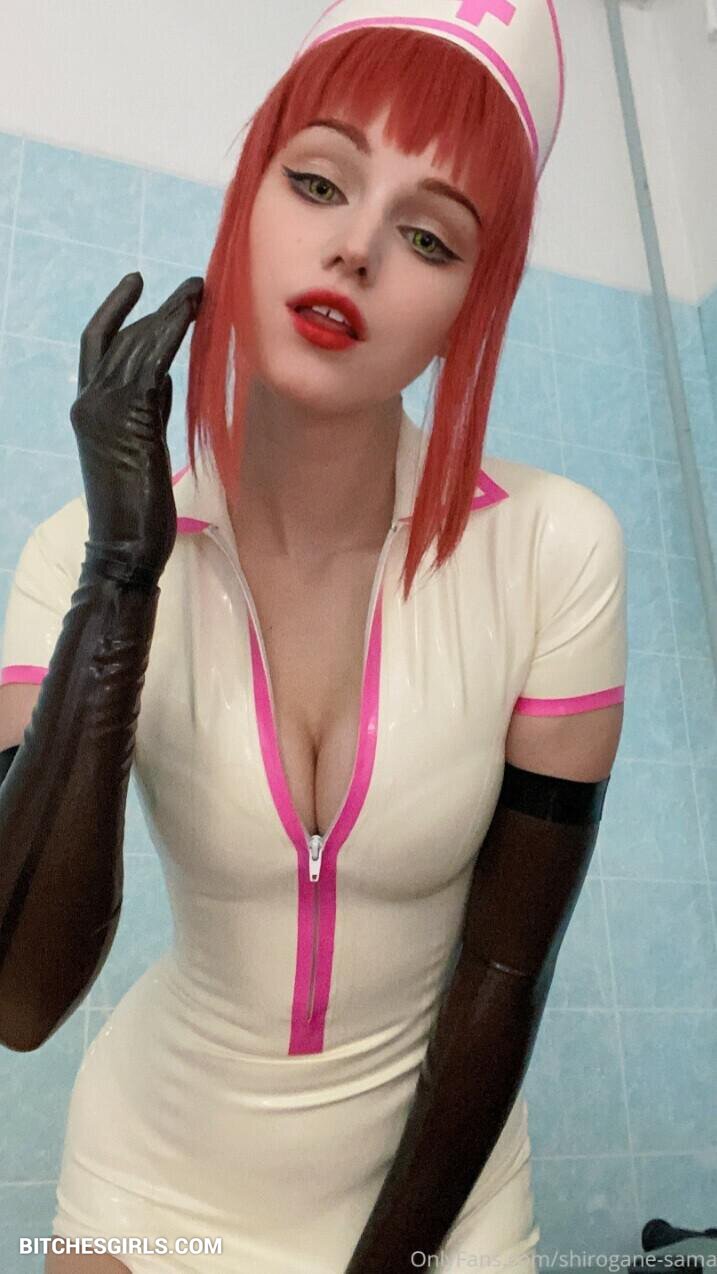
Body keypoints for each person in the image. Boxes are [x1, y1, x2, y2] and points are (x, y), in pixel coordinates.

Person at [0, 1, 628, 1271]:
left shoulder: (557, 551)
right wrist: (121, 577)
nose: (356, 248)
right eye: (320, 181)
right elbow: (20, 997)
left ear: (470, 302)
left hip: (441, 1199)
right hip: (150, 1173)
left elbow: (506, 973)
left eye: (429, 236)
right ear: (247, 201)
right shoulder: (76, 554)